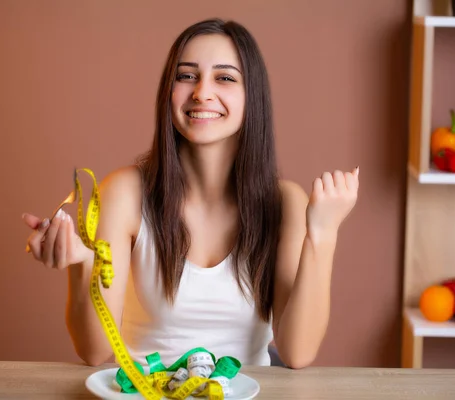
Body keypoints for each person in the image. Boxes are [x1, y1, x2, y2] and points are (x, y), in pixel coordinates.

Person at [22, 18, 358, 370]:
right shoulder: (124, 194)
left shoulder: (285, 204)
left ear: (252, 97)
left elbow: (297, 353)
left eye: (225, 78)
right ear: (169, 90)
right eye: (186, 76)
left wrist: (323, 234)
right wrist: (82, 264)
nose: (202, 92)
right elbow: (94, 352)